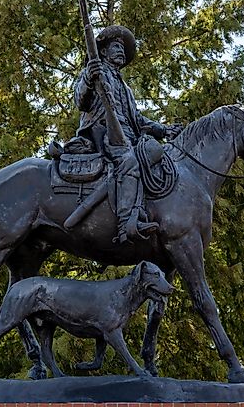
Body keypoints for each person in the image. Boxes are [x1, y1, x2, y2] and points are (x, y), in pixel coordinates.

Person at [73, 25, 182, 244]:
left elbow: (138, 120)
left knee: (154, 153)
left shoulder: (125, 87)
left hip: (129, 136)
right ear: (103, 51)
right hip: (103, 133)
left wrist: (163, 130)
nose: (121, 51)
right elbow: (80, 101)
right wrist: (88, 78)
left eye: (123, 48)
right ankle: (126, 224)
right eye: (115, 47)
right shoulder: (94, 72)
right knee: (130, 162)